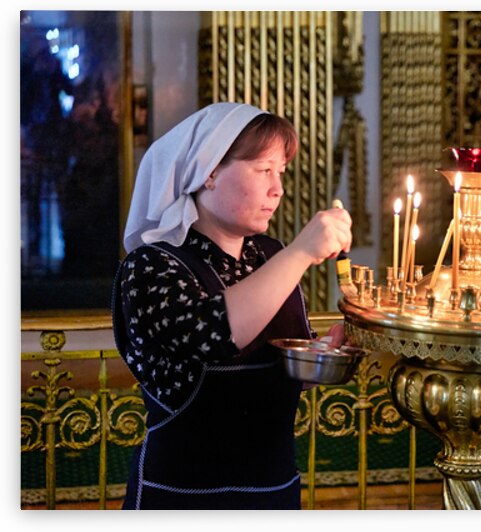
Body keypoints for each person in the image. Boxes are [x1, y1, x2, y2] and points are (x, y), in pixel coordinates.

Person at [112, 102, 352, 510]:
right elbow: (215, 334)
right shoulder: (153, 264)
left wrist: (323, 358)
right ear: (209, 172)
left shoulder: (268, 255)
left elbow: (277, 365)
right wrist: (300, 252)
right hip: (184, 498)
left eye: (281, 172)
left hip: (272, 490)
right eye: (263, 170)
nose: (277, 188)